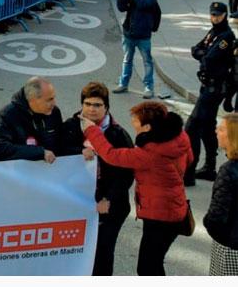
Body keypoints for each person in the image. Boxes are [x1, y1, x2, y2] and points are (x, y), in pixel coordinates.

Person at [81, 101, 192, 276]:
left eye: (136, 121)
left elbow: (111, 155)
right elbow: (190, 159)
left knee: (148, 267)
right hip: (174, 208)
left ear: (147, 127)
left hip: (160, 216)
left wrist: (91, 130)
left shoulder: (150, 153)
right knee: (153, 263)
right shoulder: (179, 138)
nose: (132, 123)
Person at [58, 82, 134, 276]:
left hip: (109, 207)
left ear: (106, 107)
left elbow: (126, 174)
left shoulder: (118, 134)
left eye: (97, 105)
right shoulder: (70, 126)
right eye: (88, 104)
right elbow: (59, 153)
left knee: (102, 254)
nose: (92, 109)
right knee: (75, 253)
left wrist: (108, 199)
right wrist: (79, 151)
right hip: (77, 202)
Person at [185, 1, 236, 185]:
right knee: (207, 127)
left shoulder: (226, 37)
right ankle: (209, 168)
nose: (215, 18)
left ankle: (188, 173)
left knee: (191, 127)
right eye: (212, 14)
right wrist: (202, 53)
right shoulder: (213, 32)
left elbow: (209, 59)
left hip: (215, 88)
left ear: (225, 15)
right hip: (207, 86)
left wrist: (203, 54)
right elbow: (195, 49)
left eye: (218, 15)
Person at [0, 76, 63, 163]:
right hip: (18, 172)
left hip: (48, 170)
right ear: (32, 99)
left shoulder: (54, 112)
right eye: (49, 100)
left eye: (54, 98)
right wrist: (39, 152)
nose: (54, 103)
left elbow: (62, 140)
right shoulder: (7, 115)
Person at [114, 0, 158, 98]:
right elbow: (122, 8)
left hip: (144, 34)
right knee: (127, 60)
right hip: (129, 33)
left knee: (147, 62)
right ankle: (123, 84)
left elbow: (143, 4)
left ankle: (149, 88)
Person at [204, 114, 238, 275]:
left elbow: (216, 215)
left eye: (222, 129)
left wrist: (213, 228)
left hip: (230, 246)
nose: (216, 131)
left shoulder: (229, 170)